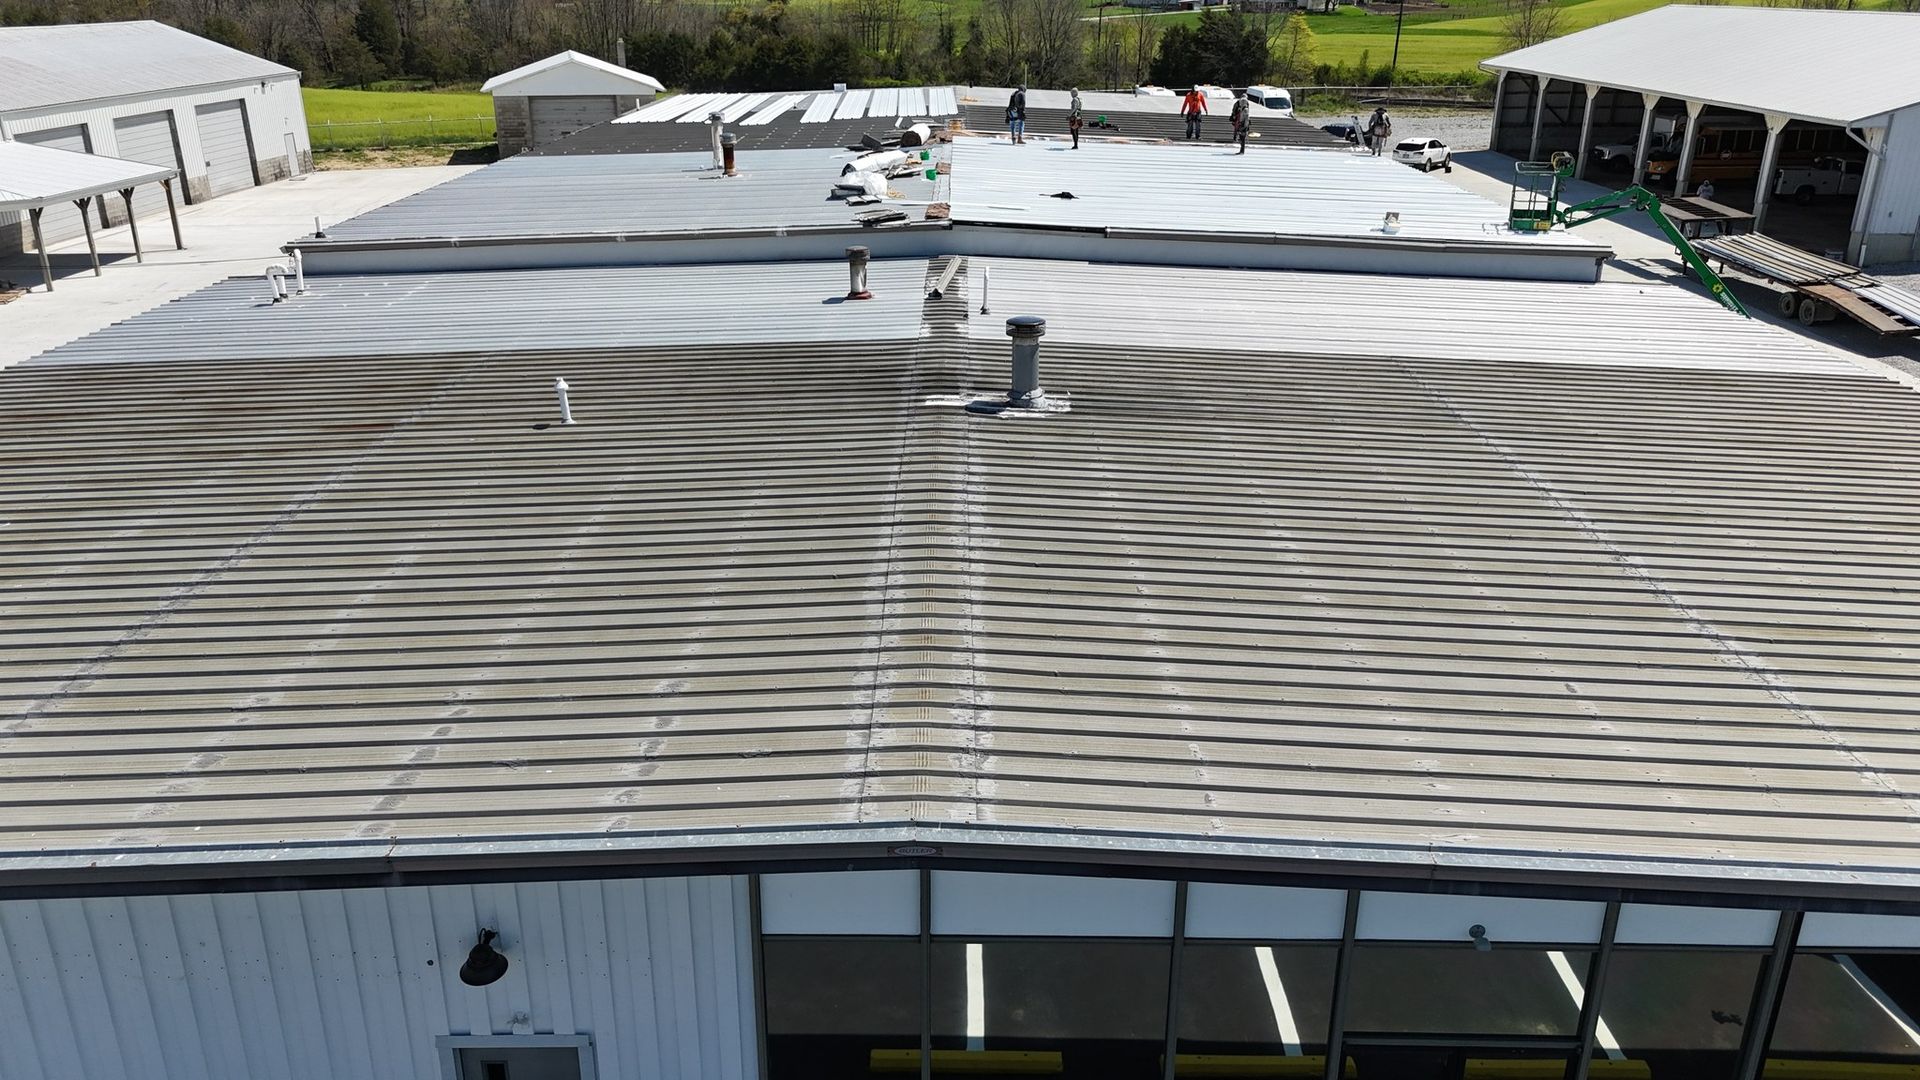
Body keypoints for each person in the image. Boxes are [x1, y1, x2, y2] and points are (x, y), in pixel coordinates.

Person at [1230, 90, 1250, 155]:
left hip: (1243, 125)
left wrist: (1244, 127)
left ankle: (1242, 151)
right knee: (1241, 137)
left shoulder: (1245, 110)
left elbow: (1246, 119)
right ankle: (1241, 150)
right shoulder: (1242, 108)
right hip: (1241, 123)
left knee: (1242, 138)